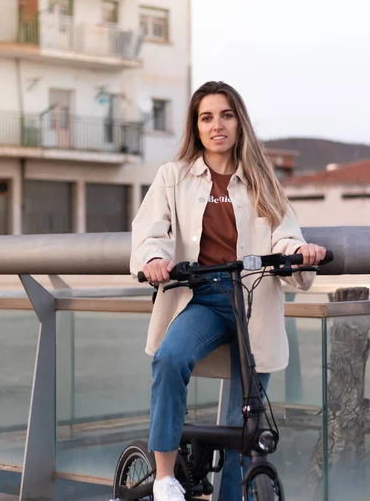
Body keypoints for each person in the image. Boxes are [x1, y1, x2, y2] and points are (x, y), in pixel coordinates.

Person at [130, 81, 326, 501]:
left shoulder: (261, 180)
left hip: (251, 302)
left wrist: (300, 251)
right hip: (200, 297)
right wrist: (153, 260)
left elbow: (284, 236)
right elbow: (151, 232)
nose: (216, 125)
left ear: (239, 123)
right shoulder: (173, 177)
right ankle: (165, 477)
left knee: (247, 423)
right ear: (196, 128)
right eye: (206, 117)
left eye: (225, 115)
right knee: (170, 358)